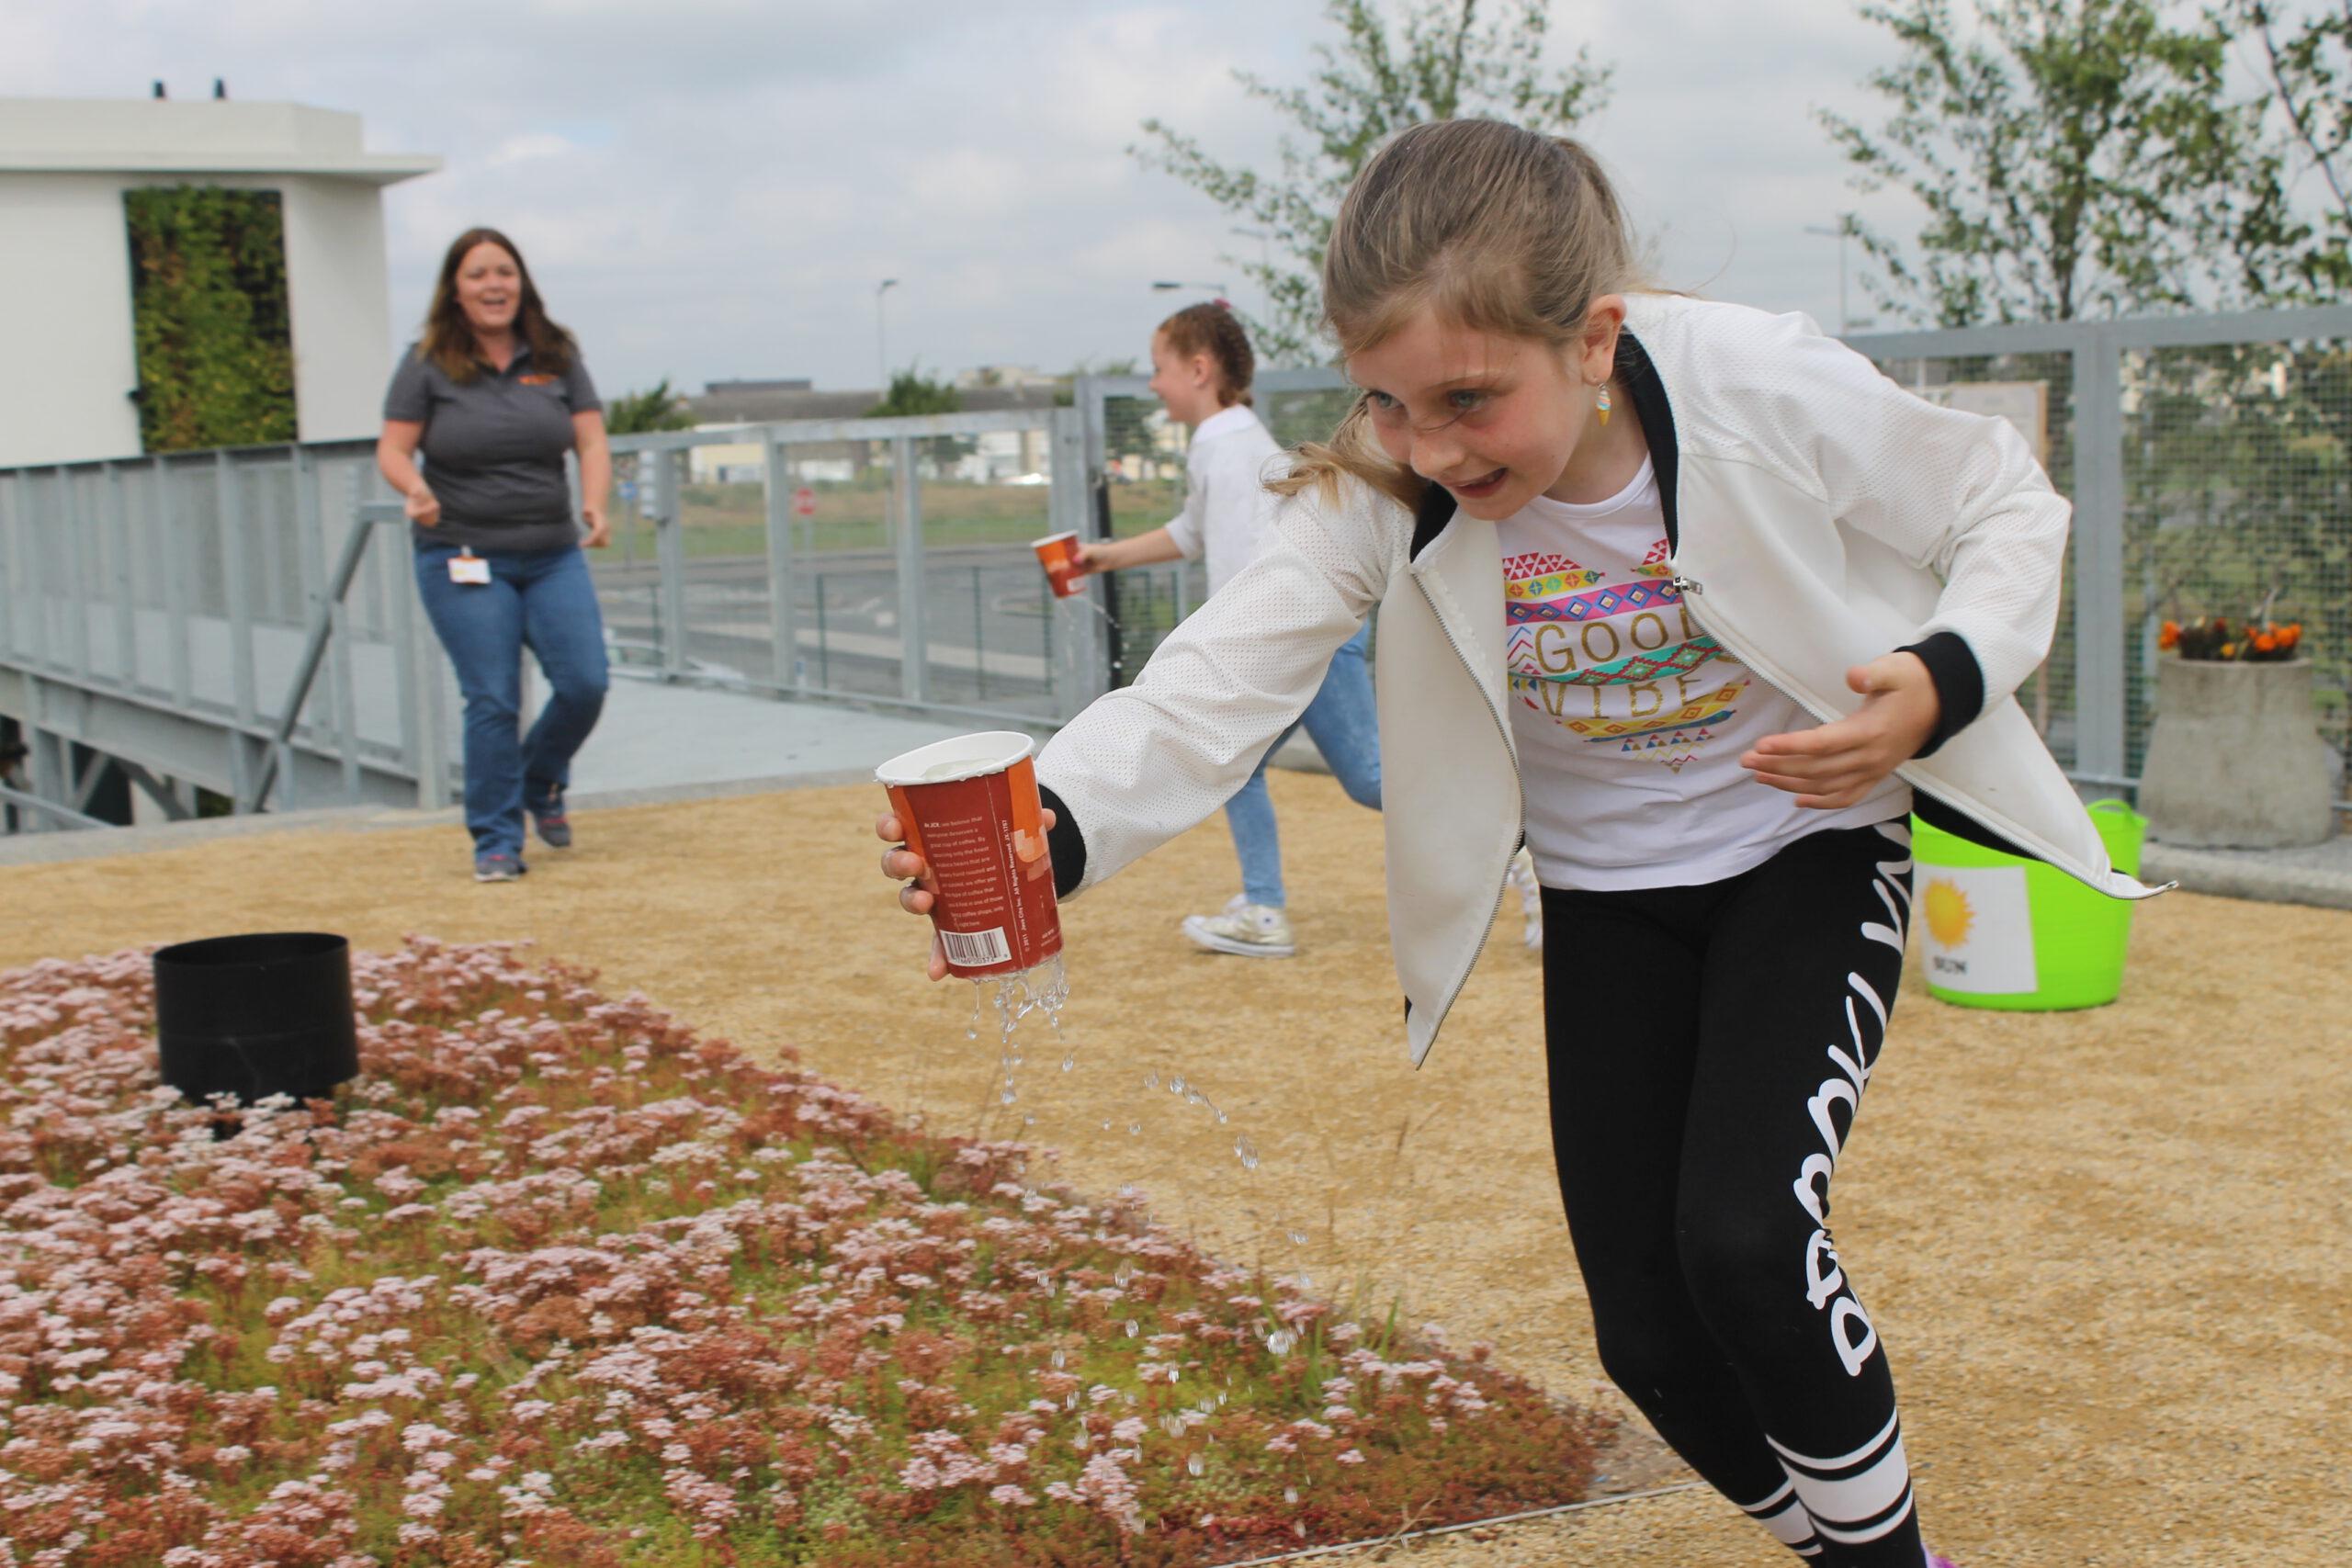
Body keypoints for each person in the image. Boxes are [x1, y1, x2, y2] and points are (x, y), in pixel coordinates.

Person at [883, 120, 2162, 1563]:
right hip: (1607, 895)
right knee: (1645, 1327)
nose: (1429, 447)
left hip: (1805, 849)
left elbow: (2001, 493)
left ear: (1596, 338)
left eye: (1470, 400)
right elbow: (1226, 664)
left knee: (1744, 1240)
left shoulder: (1751, 377)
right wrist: (1049, 818)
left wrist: (1943, 667)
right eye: (1388, 400)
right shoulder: (1396, 468)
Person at [1069, 301, 1383, 958]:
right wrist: (1107, 555)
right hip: (1305, 630)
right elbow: (1193, 532)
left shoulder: (1225, 445)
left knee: (1369, 779)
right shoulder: (1230, 440)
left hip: (1300, 636)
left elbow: (1255, 564)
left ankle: (1515, 846)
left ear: (1200, 369)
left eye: (1160, 368)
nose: (1153, 383)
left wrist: (1226, 658)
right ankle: (1263, 906)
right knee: (1315, 774)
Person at [378, 227, 612, 883]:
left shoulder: (555, 353)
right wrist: (416, 488)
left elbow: (590, 441)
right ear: (455, 287)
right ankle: (497, 840)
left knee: (585, 682)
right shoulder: (427, 360)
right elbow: (392, 449)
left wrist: (595, 504)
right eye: (478, 274)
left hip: (550, 552)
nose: (493, 285)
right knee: (493, 700)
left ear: (522, 281)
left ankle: (540, 780)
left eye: (504, 271)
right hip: (462, 552)